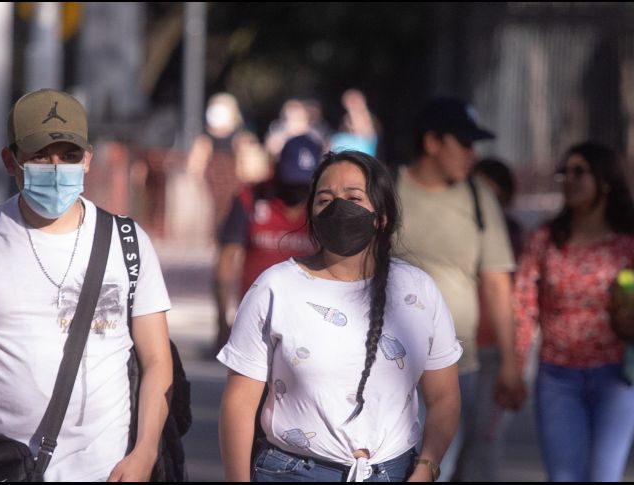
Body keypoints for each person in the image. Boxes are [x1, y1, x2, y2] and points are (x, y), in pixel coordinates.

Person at [0, 89, 173, 482]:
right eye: (40, 156)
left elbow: (156, 360)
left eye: (69, 156)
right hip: (3, 468)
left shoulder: (128, 242)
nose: (56, 169)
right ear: (10, 161)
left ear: (88, 160)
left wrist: (145, 453)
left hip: (107, 471)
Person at [218, 150, 462, 482]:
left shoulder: (418, 290)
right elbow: (239, 403)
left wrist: (426, 470)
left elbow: (444, 397)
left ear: (382, 215)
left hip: (395, 473)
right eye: (325, 199)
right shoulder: (275, 287)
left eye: (353, 197)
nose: (338, 208)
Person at [513, 142, 634, 482]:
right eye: (563, 172)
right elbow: (524, 305)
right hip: (557, 378)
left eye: (579, 171)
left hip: (617, 377)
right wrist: (515, 366)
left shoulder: (630, 239)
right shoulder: (545, 238)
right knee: (564, 477)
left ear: (605, 181)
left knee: (603, 476)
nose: (568, 179)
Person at [393, 97, 526, 481]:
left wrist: (511, 364)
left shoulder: (479, 198)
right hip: (389, 361)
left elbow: (498, 283)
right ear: (432, 142)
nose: (472, 153)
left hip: (457, 365)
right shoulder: (388, 187)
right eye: (464, 142)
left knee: (438, 467)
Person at [214, 134, 321, 351]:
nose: (297, 192)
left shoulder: (324, 208)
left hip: (311, 324)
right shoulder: (250, 198)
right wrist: (222, 319)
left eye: (304, 185)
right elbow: (226, 260)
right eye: (292, 182)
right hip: (256, 323)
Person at [455, 158, 524, 481]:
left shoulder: (516, 238)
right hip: (451, 351)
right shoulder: (451, 231)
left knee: (484, 439)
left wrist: (515, 362)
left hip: (495, 354)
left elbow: (520, 300)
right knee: (446, 439)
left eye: (492, 194)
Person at [186, 92, 266, 230]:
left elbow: (253, 172)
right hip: (215, 196)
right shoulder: (205, 141)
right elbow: (195, 167)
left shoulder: (242, 139)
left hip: (238, 194)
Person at [329, 89, 379, 156]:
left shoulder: (366, 138)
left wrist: (354, 106)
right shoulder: (337, 138)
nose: (349, 121)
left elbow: (364, 127)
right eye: (348, 119)